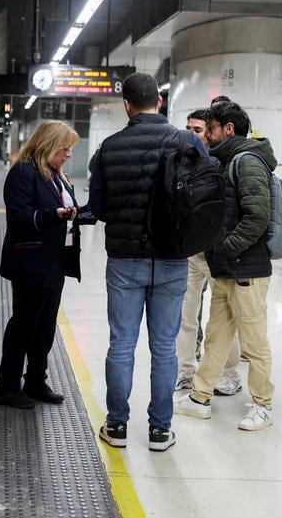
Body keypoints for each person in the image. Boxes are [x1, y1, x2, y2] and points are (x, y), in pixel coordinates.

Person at [89, 73, 206, 452]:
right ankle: (159, 430)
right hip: (173, 260)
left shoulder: (108, 147)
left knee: (121, 344)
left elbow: (100, 209)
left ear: (126, 104)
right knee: (164, 347)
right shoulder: (186, 141)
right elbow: (204, 193)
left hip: (125, 260)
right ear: (160, 100)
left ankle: (117, 426)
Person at [174, 101, 277, 431]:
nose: (208, 135)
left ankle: (263, 405)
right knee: (217, 337)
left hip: (247, 269)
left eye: (212, 128)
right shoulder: (228, 160)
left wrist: (226, 250)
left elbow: (257, 216)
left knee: (254, 342)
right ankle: (199, 397)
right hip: (228, 268)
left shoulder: (247, 162)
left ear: (228, 129)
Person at [0, 120, 80, 409]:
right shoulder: (23, 173)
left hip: (54, 261)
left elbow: (65, 207)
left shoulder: (57, 175)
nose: (68, 154)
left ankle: (35, 381)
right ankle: (6, 387)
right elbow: (19, 218)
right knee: (24, 326)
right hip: (30, 262)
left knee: (44, 327)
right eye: (65, 148)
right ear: (48, 145)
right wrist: (51, 215)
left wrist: (77, 212)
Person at [176, 109, 242, 395]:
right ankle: (186, 371)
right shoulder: (181, 161)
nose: (193, 134)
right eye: (189, 128)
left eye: (199, 129)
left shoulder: (222, 163)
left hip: (217, 253)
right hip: (190, 253)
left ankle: (230, 374)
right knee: (186, 316)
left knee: (224, 317)